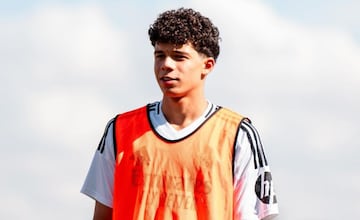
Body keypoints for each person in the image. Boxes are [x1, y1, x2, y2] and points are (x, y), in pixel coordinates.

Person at [81, 7, 279, 220]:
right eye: (160, 55)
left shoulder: (237, 135)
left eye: (179, 57)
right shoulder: (120, 130)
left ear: (207, 65)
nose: (166, 65)